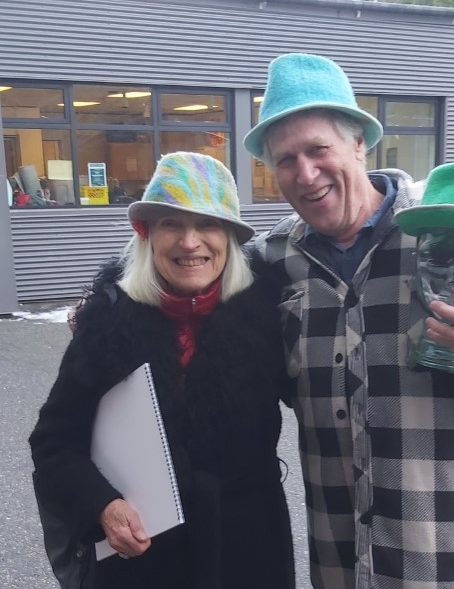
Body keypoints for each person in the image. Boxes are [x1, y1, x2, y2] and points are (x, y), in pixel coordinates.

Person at [242, 53, 454, 589]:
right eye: (285, 159)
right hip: (340, 556)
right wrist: (108, 301)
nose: (305, 173)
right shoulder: (273, 259)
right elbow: (192, 282)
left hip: (453, 553)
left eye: (319, 148)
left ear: (358, 145)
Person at [30, 151, 295, 589]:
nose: (189, 242)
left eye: (207, 224)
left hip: (247, 552)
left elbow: (327, 398)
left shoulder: (267, 319)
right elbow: (54, 442)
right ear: (148, 235)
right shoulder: (108, 324)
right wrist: (103, 506)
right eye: (171, 223)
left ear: (229, 237)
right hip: (141, 559)